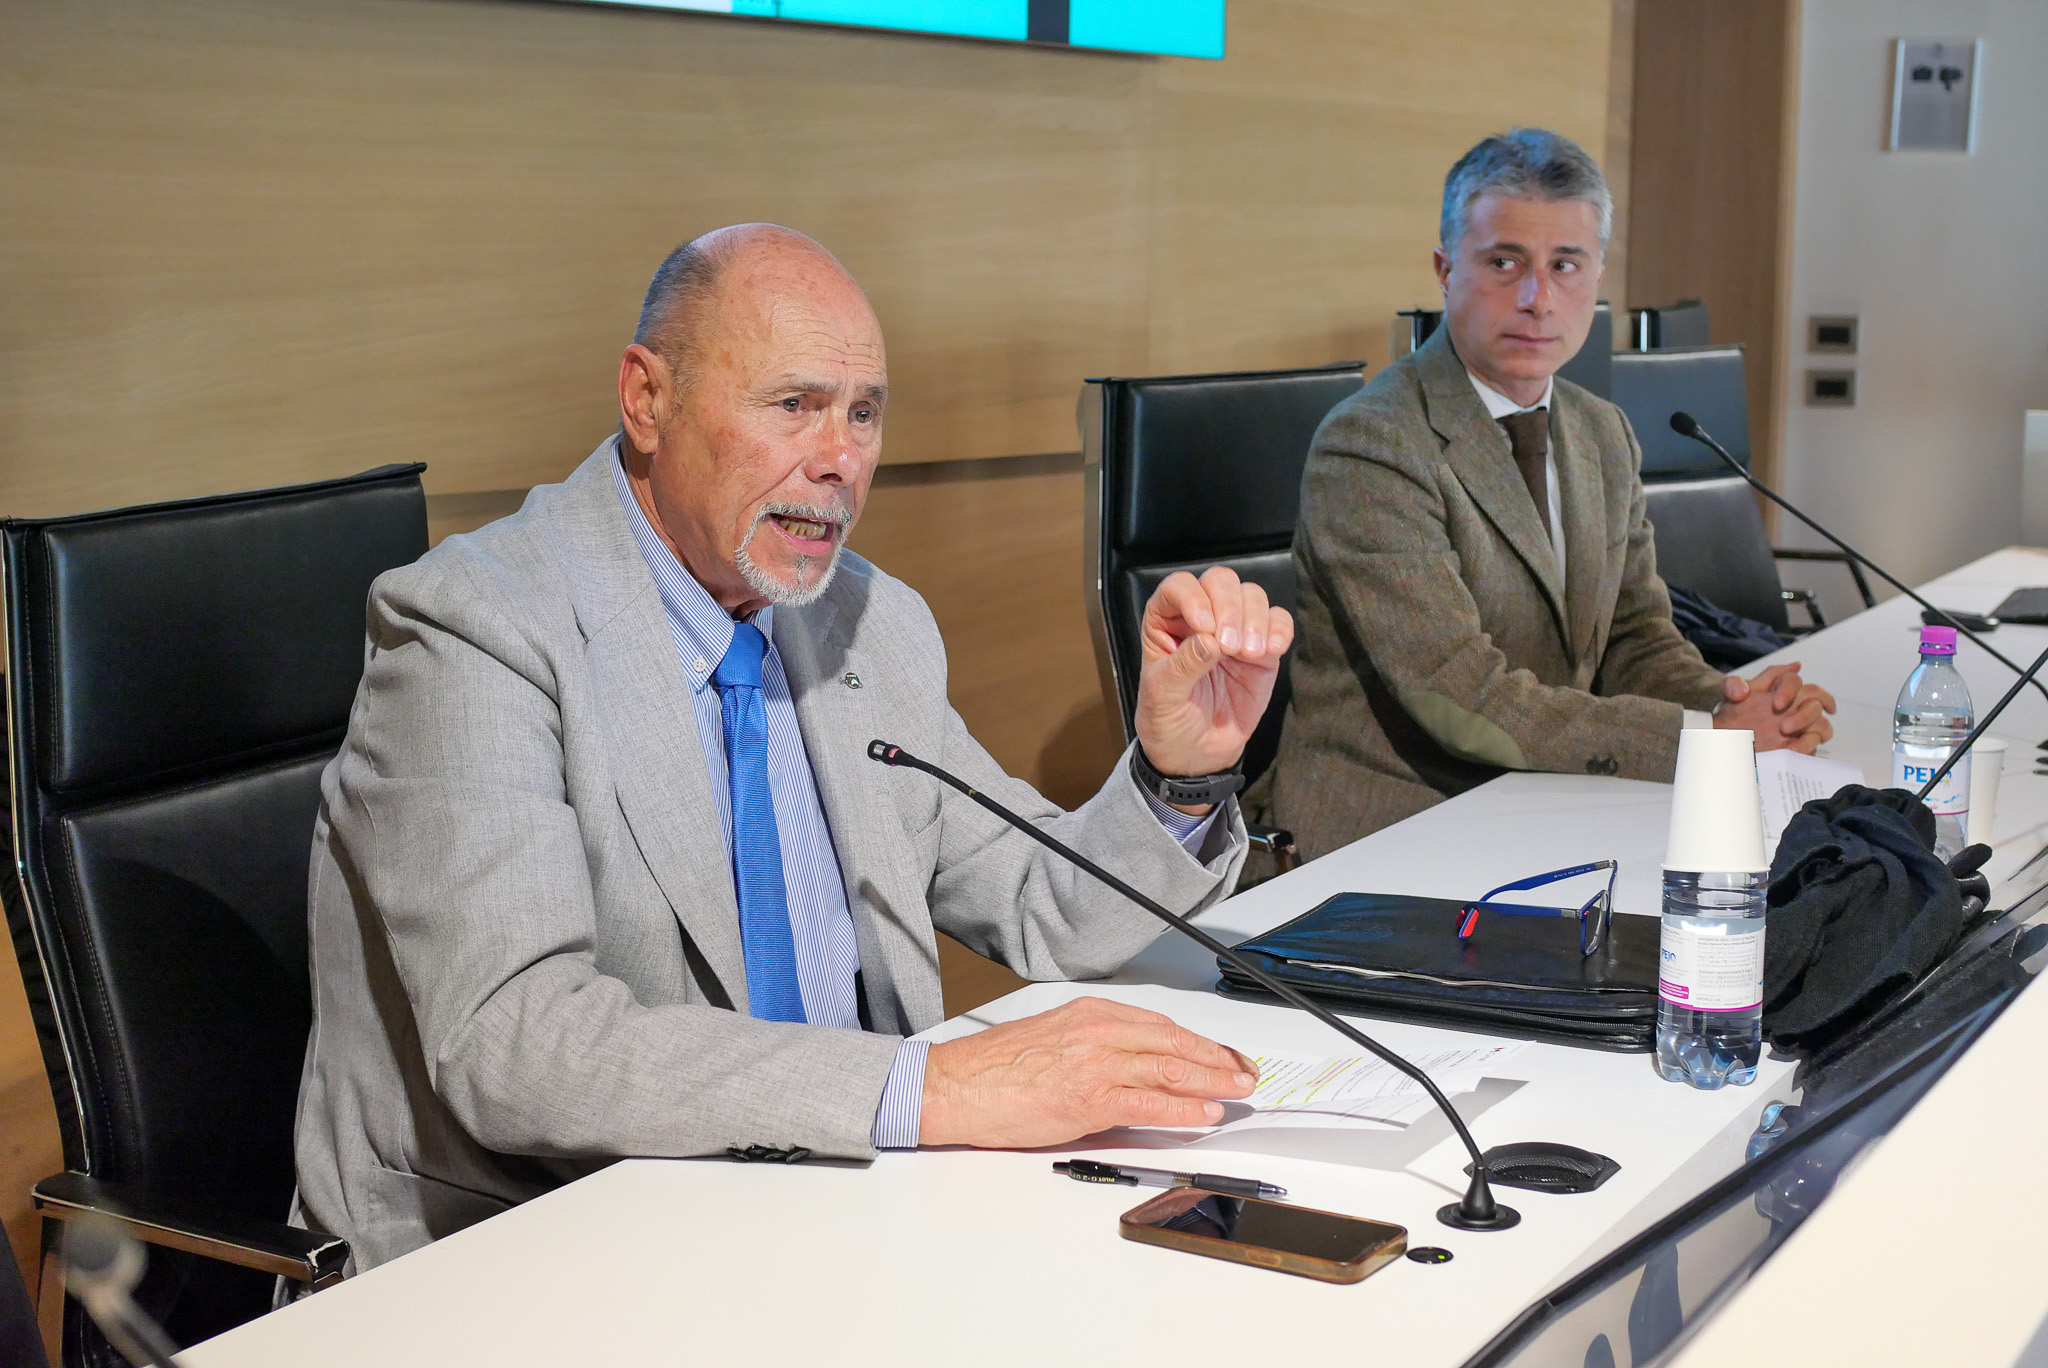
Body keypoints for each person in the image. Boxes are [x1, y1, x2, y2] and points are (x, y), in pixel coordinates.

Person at [295, 224, 1292, 1268]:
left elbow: (1044, 907)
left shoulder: (868, 620)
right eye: (793, 405)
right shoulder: (477, 628)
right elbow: (518, 1044)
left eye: (862, 413)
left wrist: (1179, 774)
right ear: (647, 399)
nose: (839, 461)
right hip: (542, 1254)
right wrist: (934, 1086)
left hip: (851, 1221)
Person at [1251, 129, 1835, 860]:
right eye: (1505, 263)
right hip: (1395, 831)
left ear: (1596, 280)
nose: (1537, 299)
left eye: (1565, 266)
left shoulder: (1602, 432)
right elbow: (1458, 694)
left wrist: (1736, 704)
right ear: (1445, 270)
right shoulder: (1373, 443)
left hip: (1555, 806)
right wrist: (1708, 741)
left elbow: (1635, 639)